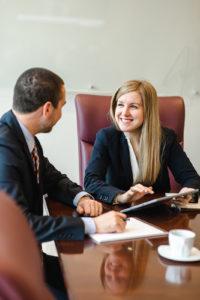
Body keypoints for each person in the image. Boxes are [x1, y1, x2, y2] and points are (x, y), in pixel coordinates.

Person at [0, 68, 126, 299]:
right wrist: (94, 226)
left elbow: (52, 178)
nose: (61, 113)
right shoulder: (5, 151)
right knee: (89, 290)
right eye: (63, 106)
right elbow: (23, 225)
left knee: (90, 279)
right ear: (48, 108)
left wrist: (82, 197)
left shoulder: (23, 137)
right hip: (13, 272)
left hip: (28, 258)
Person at [84, 80, 200, 205]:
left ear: (148, 111)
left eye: (133, 106)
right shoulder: (106, 137)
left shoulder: (166, 138)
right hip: (117, 212)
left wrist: (188, 192)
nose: (124, 113)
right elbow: (91, 181)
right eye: (120, 105)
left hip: (158, 214)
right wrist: (122, 197)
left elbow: (191, 178)